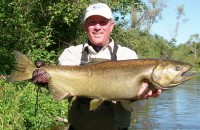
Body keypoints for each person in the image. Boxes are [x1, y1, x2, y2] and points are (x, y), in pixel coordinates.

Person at [32, 3, 162, 130]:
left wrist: (137, 98)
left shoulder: (128, 55)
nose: (97, 27)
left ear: (111, 26)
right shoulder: (71, 54)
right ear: (85, 26)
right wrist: (47, 80)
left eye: (103, 22)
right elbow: (62, 93)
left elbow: (136, 108)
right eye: (92, 22)